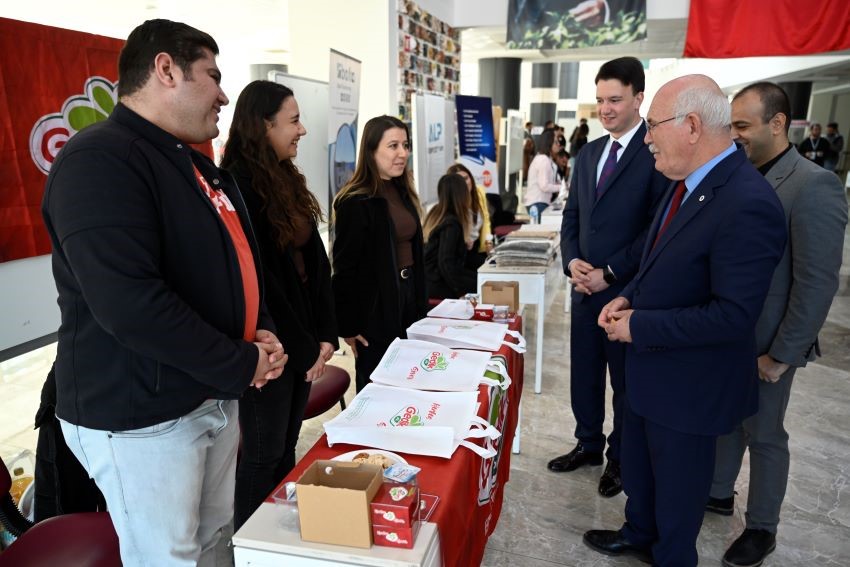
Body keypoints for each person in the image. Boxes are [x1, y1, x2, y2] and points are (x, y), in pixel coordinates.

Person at [41, 19, 286, 566]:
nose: (224, 94)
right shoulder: (98, 160)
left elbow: (229, 263)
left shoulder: (188, 162)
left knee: (213, 538)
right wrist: (239, 360)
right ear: (166, 69)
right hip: (142, 415)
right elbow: (129, 304)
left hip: (207, 391)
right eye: (213, 75)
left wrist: (258, 331)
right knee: (167, 557)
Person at [583, 74, 787, 566]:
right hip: (651, 376)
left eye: (653, 125)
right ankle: (638, 533)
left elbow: (733, 316)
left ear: (691, 126)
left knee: (677, 505)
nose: (647, 136)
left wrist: (639, 327)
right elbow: (658, 262)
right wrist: (626, 297)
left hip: (690, 390)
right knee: (643, 476)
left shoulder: (748, 202)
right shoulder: (684, 184)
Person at [707, 82, 848, 567]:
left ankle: (762, 527)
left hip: (770, 341)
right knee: (727, 423)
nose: (734, 135)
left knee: (765, 434)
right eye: (731, 126)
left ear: (778, 123)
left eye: (742, 126)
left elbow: (816, 282)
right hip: (728, 336)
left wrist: (784, 354)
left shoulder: (814, 185)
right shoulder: (736, 175)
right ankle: (719, 492)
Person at [221, 80, 339, 529]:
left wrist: (326, 335)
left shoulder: (285, 177)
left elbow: (315, 261)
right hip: (273, 347)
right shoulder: (237, 188)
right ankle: (250, 545)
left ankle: (277, 540)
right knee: (262, 454)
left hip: (305, 341)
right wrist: (305, 348)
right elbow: (265, 284)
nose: (303, 130)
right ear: (262, 125)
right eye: (293, 121)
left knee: (287, 445)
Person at [551, 56, 667, 498]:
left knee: (623, 383)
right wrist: (573, 262)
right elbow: (573, 217)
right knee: (584, 375)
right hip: (584, 291)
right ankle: (587, 443)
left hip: (624, 294)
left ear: (639, 97)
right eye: (600, 100)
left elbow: (654, 230)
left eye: (615, 99)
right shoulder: (590, 152)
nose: (605, 108)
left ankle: (619, 457)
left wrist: (610, 273)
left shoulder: (654, 152)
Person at [332, 115, 427, 392]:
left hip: (408, 297)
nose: (402, 153)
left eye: (405, 145)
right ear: (371, 151)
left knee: (411, 375)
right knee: (379, 382)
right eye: (393, 146)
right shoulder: (356, 201)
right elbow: (344, 268)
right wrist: (348, 326)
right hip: (376, 307)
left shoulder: (402, 191)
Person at [423, 173, 478, 299]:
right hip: (437, 283)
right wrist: (460, 292)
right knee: (481, 284)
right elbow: (446, 264)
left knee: (480, 279)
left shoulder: (436, 214)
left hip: (429, 280)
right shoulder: (451, 223)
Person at [446, 162, 492, 268]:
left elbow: (486, 221)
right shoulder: (452, 204)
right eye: (460, 181)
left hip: (478, 246)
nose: (465, 183)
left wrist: (488, 243)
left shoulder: (479, 193)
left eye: (466, 178)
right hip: (461, 253)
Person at [523, 128, 562, 217]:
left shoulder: (545, 159)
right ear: (549, 144)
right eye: (555, 142)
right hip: (538, 203)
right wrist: (561, 187)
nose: (558, 144)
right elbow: (544, 186)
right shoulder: (543, 160)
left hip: (539, 202)